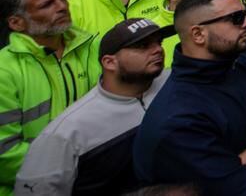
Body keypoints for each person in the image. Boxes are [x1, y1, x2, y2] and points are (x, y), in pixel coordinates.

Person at [133, 0, 246, 194]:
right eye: (236, 18)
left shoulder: (240, 64)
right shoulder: (179, 119)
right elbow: (243, 188)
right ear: (198, 34)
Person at [14, 18, 172, 195]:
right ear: (109, 62)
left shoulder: (175, 84)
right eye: (143, 46)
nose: (158, 49)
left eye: (158, 42)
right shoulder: (66, 133)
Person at [0, 0, 102, 189]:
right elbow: (5, 155)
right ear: (16, 23)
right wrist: (75, 168)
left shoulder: (93, 47)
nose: (62, 7)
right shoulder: (4, 70)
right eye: (47, 4)